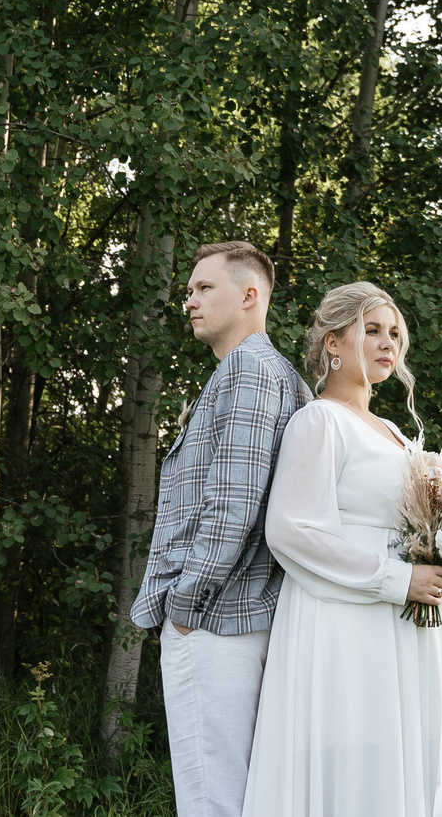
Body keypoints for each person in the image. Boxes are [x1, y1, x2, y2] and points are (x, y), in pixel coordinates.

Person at [242, 281, 442, 817]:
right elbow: (290, 530)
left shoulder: (395, 432)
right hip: (347, 628)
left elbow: (424, 536)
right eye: (371, 330)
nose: (387, 342)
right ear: (333, 342)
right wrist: (398, 581)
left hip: (415, 632)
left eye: (395, 333)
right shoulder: (319, 421)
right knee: (363, 778)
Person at [131, 240, 309, 817]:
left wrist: (186, 604)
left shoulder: (249, 371)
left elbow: (234, 505)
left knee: (212, 798)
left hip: (215, 621)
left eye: (204, 288)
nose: (190, 301)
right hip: (241, 617)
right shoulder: (267, 372)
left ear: (250, 295)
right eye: (189, 290)